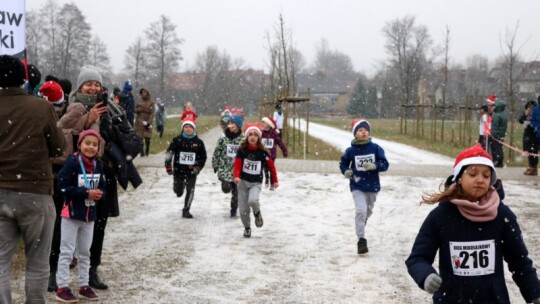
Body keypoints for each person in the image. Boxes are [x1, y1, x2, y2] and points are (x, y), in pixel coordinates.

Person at [405, 144, 540, 303]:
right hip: (452, 299)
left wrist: (535, 293)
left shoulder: (502, 216)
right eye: (473, 174)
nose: (480, 180)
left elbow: (519, 261)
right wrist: (425, 274)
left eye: (486, 175)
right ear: (459, 177)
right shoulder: (440, 216)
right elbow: (417, 258)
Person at [60, 65, 138, 291]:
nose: (93, 87)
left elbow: (125, 135)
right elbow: (63, 135)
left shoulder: (111, 108)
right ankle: (62, 269)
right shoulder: (72, 106)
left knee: (98, 224)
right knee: (69, 223)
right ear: (80, 85)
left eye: (96, 83)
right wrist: (87, 119)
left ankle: (92, 269)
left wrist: (110, 125)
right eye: (88, 83)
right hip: (76, 176)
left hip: (103, 174)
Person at [0, 54, 66, 304]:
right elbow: (60, 148)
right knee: (38, 263)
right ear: (23, 79)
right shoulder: (42, 107)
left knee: (1, 262)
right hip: (35, 192)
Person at [55, 130, 106, 302]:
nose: (90, 147)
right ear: (79, 144)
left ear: (98, 148)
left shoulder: (99, 165)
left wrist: (99, 193)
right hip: (70, 215)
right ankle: (62, 287)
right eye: (87, 143)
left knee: (85, 252)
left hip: (89, 215)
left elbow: (103, 186)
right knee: (67, 252)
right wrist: (85, 193)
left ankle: (84, 286)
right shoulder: (72, 162)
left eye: (94, 144)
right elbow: (61, 185)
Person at [339, 119, 389, 254]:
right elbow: (343, 164)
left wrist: (376, 166)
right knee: (360, 211)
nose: (363, 132)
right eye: (360, 130)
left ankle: (363, 220)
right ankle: (361, 240)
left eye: (366, 130)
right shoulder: (350, 151)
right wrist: (346, 171)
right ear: (355, 134)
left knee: (368, 212)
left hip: (372, 186)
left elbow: (385, 165)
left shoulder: (375, 148)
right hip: (357, 185)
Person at [233, 123, 279, 238]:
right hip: (242, 182)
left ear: (258, 137)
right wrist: (236, 176)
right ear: (247, 137)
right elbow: (237, 165)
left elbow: (271, 167)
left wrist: (275, 180)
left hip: (255, 182)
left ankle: (257, 213)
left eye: (255, 135)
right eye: (250, 134)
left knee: (253, 201)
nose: (253, 137)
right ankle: (247, 228)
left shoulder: (263, 152)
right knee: (243, 210)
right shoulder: (242, 150)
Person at [165, 118, 207, 218]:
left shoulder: (199, 142)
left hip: (192, 171)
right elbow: (169, 153)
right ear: (183, 128)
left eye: (190, 127)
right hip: (178, 170)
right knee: (178, 192)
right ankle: (180, 187)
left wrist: (198, 168)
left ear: (194, 129)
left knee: (191, 189)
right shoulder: (177, 140)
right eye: (186, 127)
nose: (188, 129)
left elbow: (203, 157)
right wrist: (168, 166)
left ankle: (186, 209)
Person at [212, 115, 245, 217]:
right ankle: (226, 184)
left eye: (233, 124)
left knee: (237, 192)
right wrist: (215, 164)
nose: (230, 125)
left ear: (238, 126)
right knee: (226, 188)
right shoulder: (223, 138)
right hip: (224, 167)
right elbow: (217, 151)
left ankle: (233, 209)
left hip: (238, 170)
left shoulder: (244, 139)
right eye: (229, 123)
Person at [260, 116, 288, 189]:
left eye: (264, 122)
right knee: (265, 168)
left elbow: (280, 143)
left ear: (269, 124)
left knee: (271, 168)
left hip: (271, 155)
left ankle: (272, 183)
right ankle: (267, 178)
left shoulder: (274, 134)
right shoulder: (261, 132)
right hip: (262, 154)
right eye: (261, 122)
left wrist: (284, 151)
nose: (262, 123)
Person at [518, 100, 538, 175]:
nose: (530, 109)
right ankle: (531, 166)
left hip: (534, 135)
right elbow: (520, 120)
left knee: (534, 152)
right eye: (528, 108)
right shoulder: (526, 114)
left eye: (531, 108)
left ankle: (534, 167)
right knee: (529, 151)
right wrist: (525, 115)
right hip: (527, 135)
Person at [134, 88, 155, 157]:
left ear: (147, 93)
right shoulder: (139, 101)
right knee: (140, 138)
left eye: (145, 92)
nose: (143, 94)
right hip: (139, 121)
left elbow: (152, 113)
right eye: (142, 92)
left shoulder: (151, 102)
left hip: (147, 120)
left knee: (147, 137)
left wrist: (149, 122)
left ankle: (147, 150)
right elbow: (135, 110)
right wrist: (138, 110)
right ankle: (141, 151)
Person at [490, 99, 508, 167]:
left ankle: (497, 161)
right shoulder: (504, 115)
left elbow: (495, 125)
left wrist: (492, 134)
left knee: (496, 148)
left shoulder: (496, 115)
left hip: (496, 135)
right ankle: (500, 161)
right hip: (502, 134)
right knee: (500, 148)